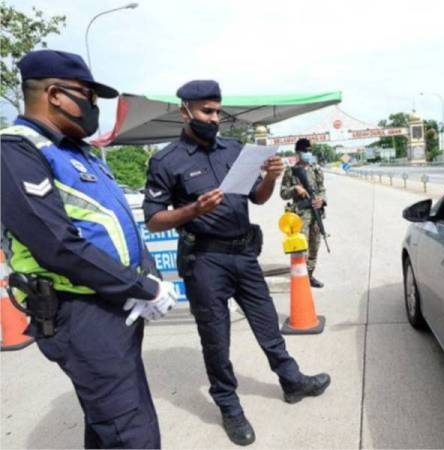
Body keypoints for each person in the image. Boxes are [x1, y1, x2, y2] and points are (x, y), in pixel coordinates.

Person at [0, 50, 177, 449]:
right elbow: (57, 245)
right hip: (79, 314)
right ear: (57, 95)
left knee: (107, 425)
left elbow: (121, 225)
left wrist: (147, 278)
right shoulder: (16, 151)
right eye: (88, 96)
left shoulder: (81, 153)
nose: (93, 107)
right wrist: (141, 288)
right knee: (134, 434)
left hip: (115, 305)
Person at [143, 80, 331, 446]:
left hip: (244, 254)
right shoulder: (166, 160)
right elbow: (153, 218)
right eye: (205, 111)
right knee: (216, 338)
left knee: (267, 323)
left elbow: (258, 199)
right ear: (185, 112)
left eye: (217, 111)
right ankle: (229, 405)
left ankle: (291, 380)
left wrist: (272, 178)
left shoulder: (234, 149)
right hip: (205, 260)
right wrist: (193, 209)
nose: (214, 119)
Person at [280, 138, 327, 288]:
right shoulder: (291, 171)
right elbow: (283, 193)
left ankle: (310, 275)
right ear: (298, 152)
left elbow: (322, 189)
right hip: (300, 216)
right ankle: (299, 276)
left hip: (316, 214)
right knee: (300, 248)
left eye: (310, 151)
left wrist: (321, 200)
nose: (308, 154)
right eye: (305, 151)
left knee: (314, 246)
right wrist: (295, 189)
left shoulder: (316, 169)